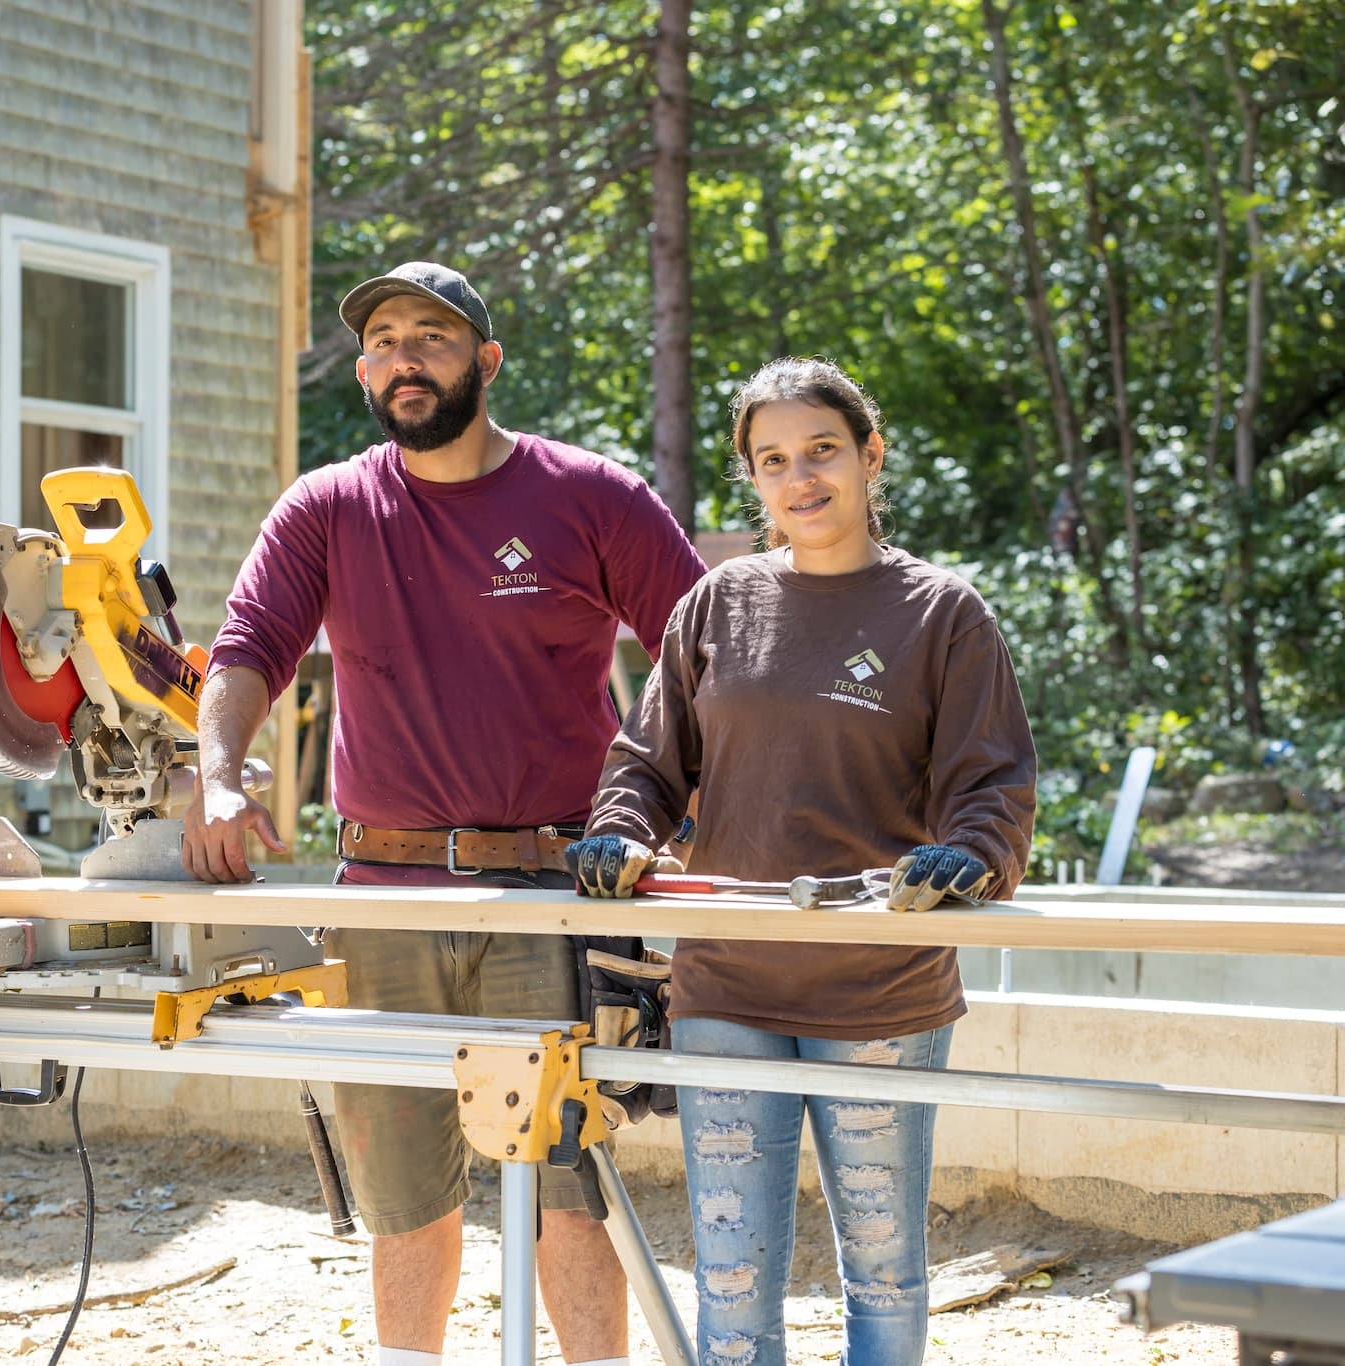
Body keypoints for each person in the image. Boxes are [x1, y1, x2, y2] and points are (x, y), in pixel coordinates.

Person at [183, 261, 707, 1366]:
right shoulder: (328, 506)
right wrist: (219, 774)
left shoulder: (588, 496)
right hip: (384, 896)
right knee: (402, 1196)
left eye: (430, 334)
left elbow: (701, 653)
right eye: (381, 339)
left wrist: (679, 799)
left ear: (485, 359)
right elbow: (245, 652)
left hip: (549, 897)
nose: (402, 356)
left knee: (564, 1185)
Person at [567, 356, 1037, 1366]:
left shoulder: (940, 614)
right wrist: (620, 829)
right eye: (772, 459)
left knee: (880, 1265)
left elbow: (990, 785)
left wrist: (969, 854)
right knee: (731, 1282)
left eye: (821, 449)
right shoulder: (715, 606)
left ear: (868, 455)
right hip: (725, 977)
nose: (800, 476)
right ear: (754, 480)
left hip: (879, 990)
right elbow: (647, 762)